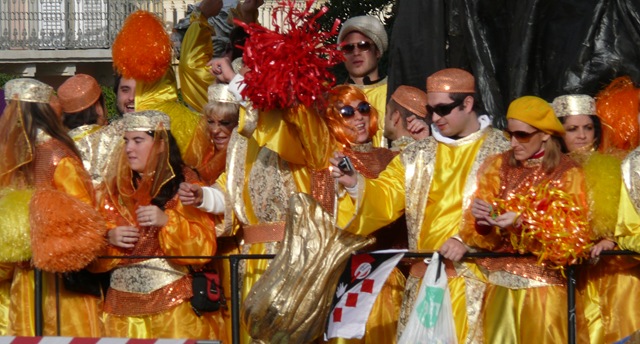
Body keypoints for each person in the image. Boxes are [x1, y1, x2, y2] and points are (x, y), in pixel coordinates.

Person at [330, 68, 510, 343]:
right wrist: (354, 183)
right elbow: (386, 195)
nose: (435, 118)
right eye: (431, 110)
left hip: (475, 286)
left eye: (443, 109)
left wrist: (470, 241)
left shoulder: (502, 149)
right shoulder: (417, 154)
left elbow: (513, 209)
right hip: (424, 286)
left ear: (468, 104)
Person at [462, 95, 591, 343]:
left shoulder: (568, 172)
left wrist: (524, 223)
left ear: (544, 134)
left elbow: (572, 239)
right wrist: (483, 222)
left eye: (522, 135)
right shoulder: (497, 166)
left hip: (545, 291)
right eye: (510, 134)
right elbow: (476, 232)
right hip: (500, 288)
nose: (513, 142)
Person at [90, 110, 227, 340]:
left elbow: (202, 248)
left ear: (161, 144)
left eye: (138, 140)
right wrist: (108, 238)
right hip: (121, 315)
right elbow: (89, 243)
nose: (129, 148)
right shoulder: (112, 189)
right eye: (126, 141)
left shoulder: (185, 184)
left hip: (174, 310)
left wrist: (166, 221)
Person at [1, 78, 105, 336]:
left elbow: (83, 216)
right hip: (25, 280)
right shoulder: (16, 161)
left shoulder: (56, 155)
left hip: (59, 284)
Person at [552, 94, 640, 343]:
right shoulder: (550, 171)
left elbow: (630, 213)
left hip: (617, 274)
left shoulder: (618, 165)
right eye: (572, 129)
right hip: (573, 277)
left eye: (588, 128)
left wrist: (611, 238)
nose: (581, 136)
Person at [338, 15, 389, 148]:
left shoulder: (395, 94)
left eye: (363, 45)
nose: (356, 53)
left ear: (377, 51)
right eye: (348, 48)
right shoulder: (333, 99)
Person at [384, 85, 430, 151]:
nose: (384, 118)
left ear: (395, 116)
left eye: (386, 112)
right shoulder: (435, 153)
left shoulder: (382, 158)